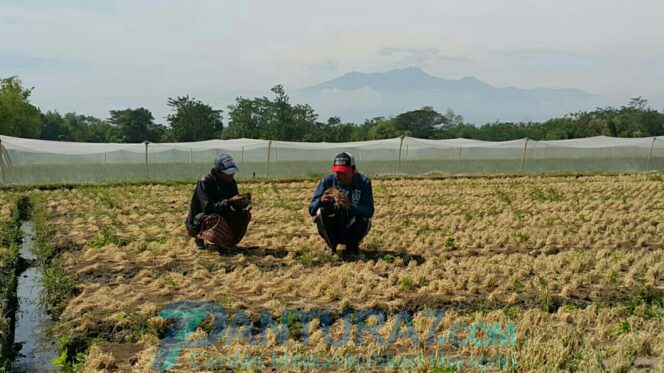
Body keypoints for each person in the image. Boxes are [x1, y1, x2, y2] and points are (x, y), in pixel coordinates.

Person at [309, 152, 374, 257]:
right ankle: (331, 245)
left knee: (365, 219)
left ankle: (352, 246)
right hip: (333, 226)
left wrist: (350, 207)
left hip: (352, 226)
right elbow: (312, 209)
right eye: (338, 173)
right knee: (320, 212)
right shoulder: (327, 181)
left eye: (344, 173)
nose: (340, 176)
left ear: (354, 171)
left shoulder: (363, 182)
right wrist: (320, 200)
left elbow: (369, 210)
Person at [186, 154, 251, 250]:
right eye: (228, 173)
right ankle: (199, 238)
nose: (231, 175)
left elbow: (233, 205)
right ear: (218, 172)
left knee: (244, 215)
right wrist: (230, 201)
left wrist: (242, 203)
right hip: (200, 219)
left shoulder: (231, 182)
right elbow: (208, 208)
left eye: (232, 172)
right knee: (216, 218)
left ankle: (228, 243)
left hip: (222, 213)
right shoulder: (205, 182)